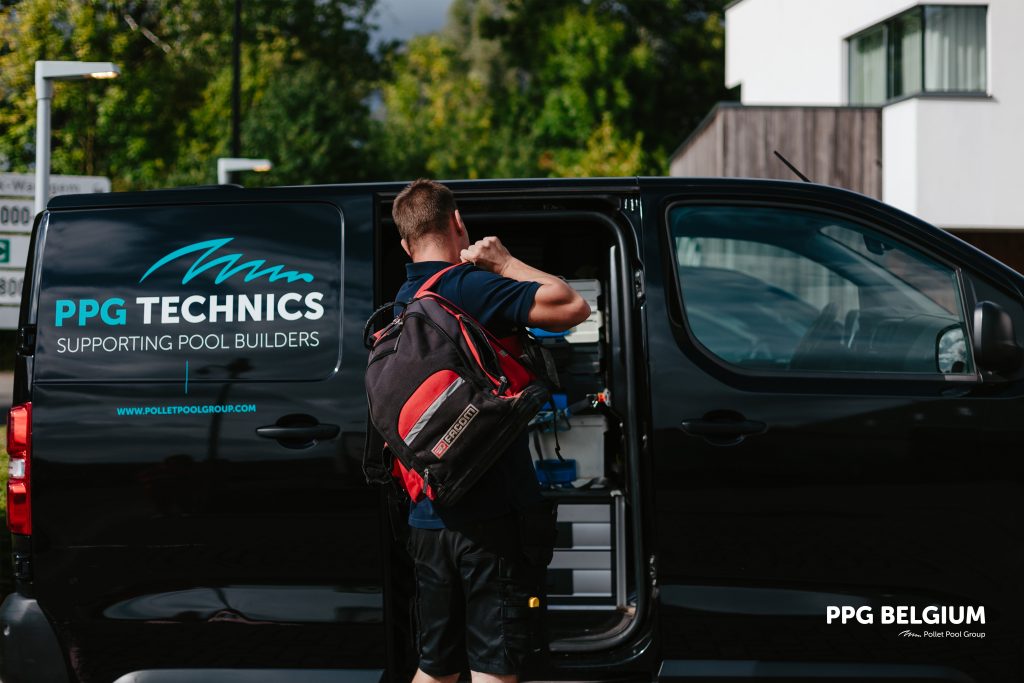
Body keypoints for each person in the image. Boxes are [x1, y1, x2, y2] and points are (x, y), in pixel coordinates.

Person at [391, 179, 590, 683]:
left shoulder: (403, 302)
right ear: (457, 223)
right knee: (495, 670)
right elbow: (572, 305)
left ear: (406, 244)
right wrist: (504, 262)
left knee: (435, 668)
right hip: (492, 519)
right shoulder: (469, 286)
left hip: (428, 516)